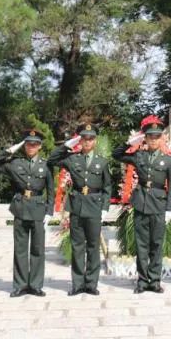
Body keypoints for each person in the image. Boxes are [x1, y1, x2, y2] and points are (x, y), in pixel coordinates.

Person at [112, 116, 171, 294]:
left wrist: (169, 208)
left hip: (158, 204)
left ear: (162, 138)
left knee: (156, 244)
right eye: (150, 137)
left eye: (157, 136)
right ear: (145, 138)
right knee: (141, 244)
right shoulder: (139, 155)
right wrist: (131, 142)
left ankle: (154, 281)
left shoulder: (169, 160)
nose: (154, 140)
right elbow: (116, 154)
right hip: (141, 203)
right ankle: (142, 280)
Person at [47, 122, 112, 296]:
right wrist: (67, 145)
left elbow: (107, 188)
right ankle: (77, 284)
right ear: (80, 140)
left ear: (95, 141)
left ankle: (91, 284)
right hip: (76, 207)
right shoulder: (72, 159)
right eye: (84, 139)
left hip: (94, 206)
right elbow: (52, 160)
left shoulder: (102, 162)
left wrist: (105, 208)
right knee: (77, 247)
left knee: (93, 246)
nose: (87, 142)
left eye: (91, 139)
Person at [0, 128, 54, 297]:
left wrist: (49, 212)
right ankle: (20, 285)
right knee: (20, 249)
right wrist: (12, 149)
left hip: (39, 209)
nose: (31, 147)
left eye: (34, 144)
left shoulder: (46, 164)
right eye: (28, 144)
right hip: (21, 208)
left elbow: (51, 190)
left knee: (38, 249)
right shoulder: (15, 163)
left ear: (39, 146)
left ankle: (36, 285)